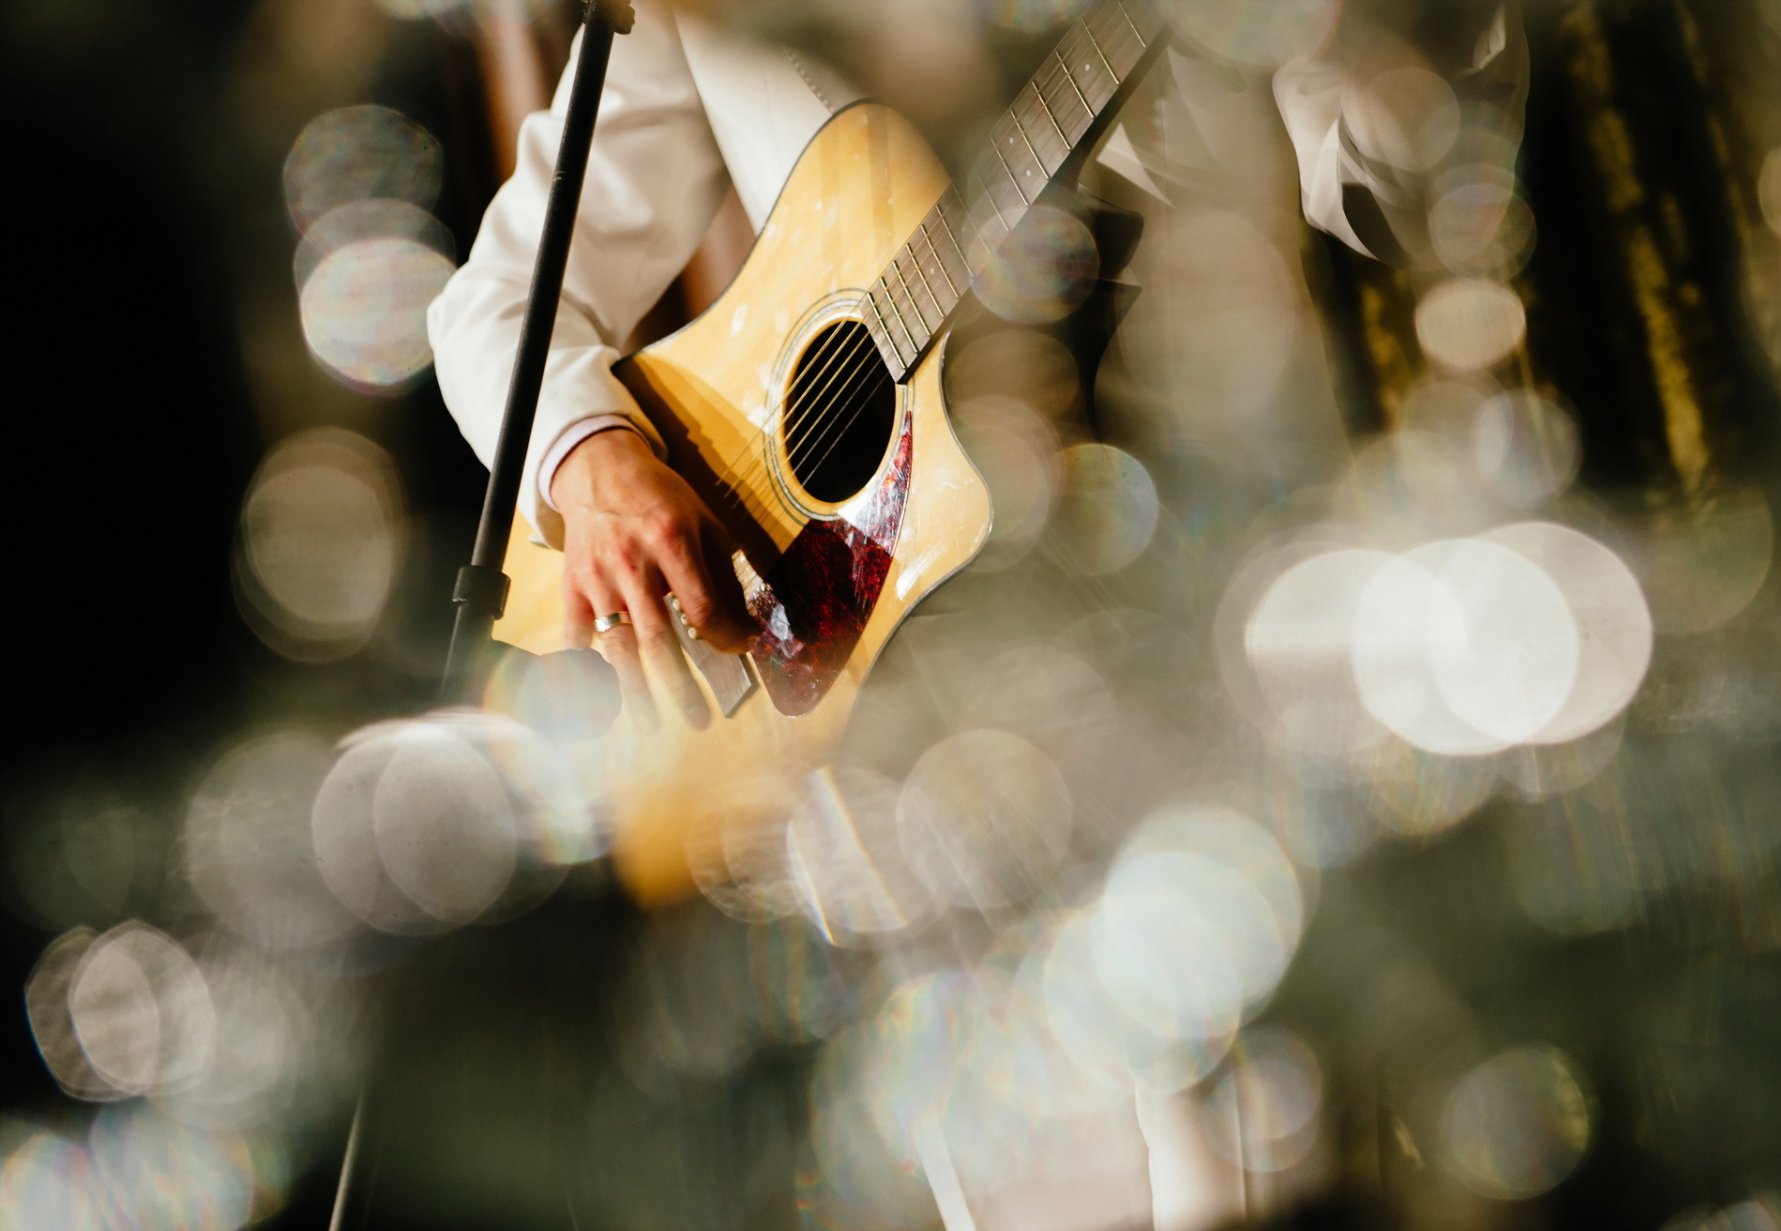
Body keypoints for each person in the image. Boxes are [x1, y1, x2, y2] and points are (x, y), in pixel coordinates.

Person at [427, 3, 1525, 1226]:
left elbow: (1396, 187)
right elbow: (497, 304)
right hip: (881, 770)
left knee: (1271, 1145)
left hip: (1194, 617)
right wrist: (593, 460)